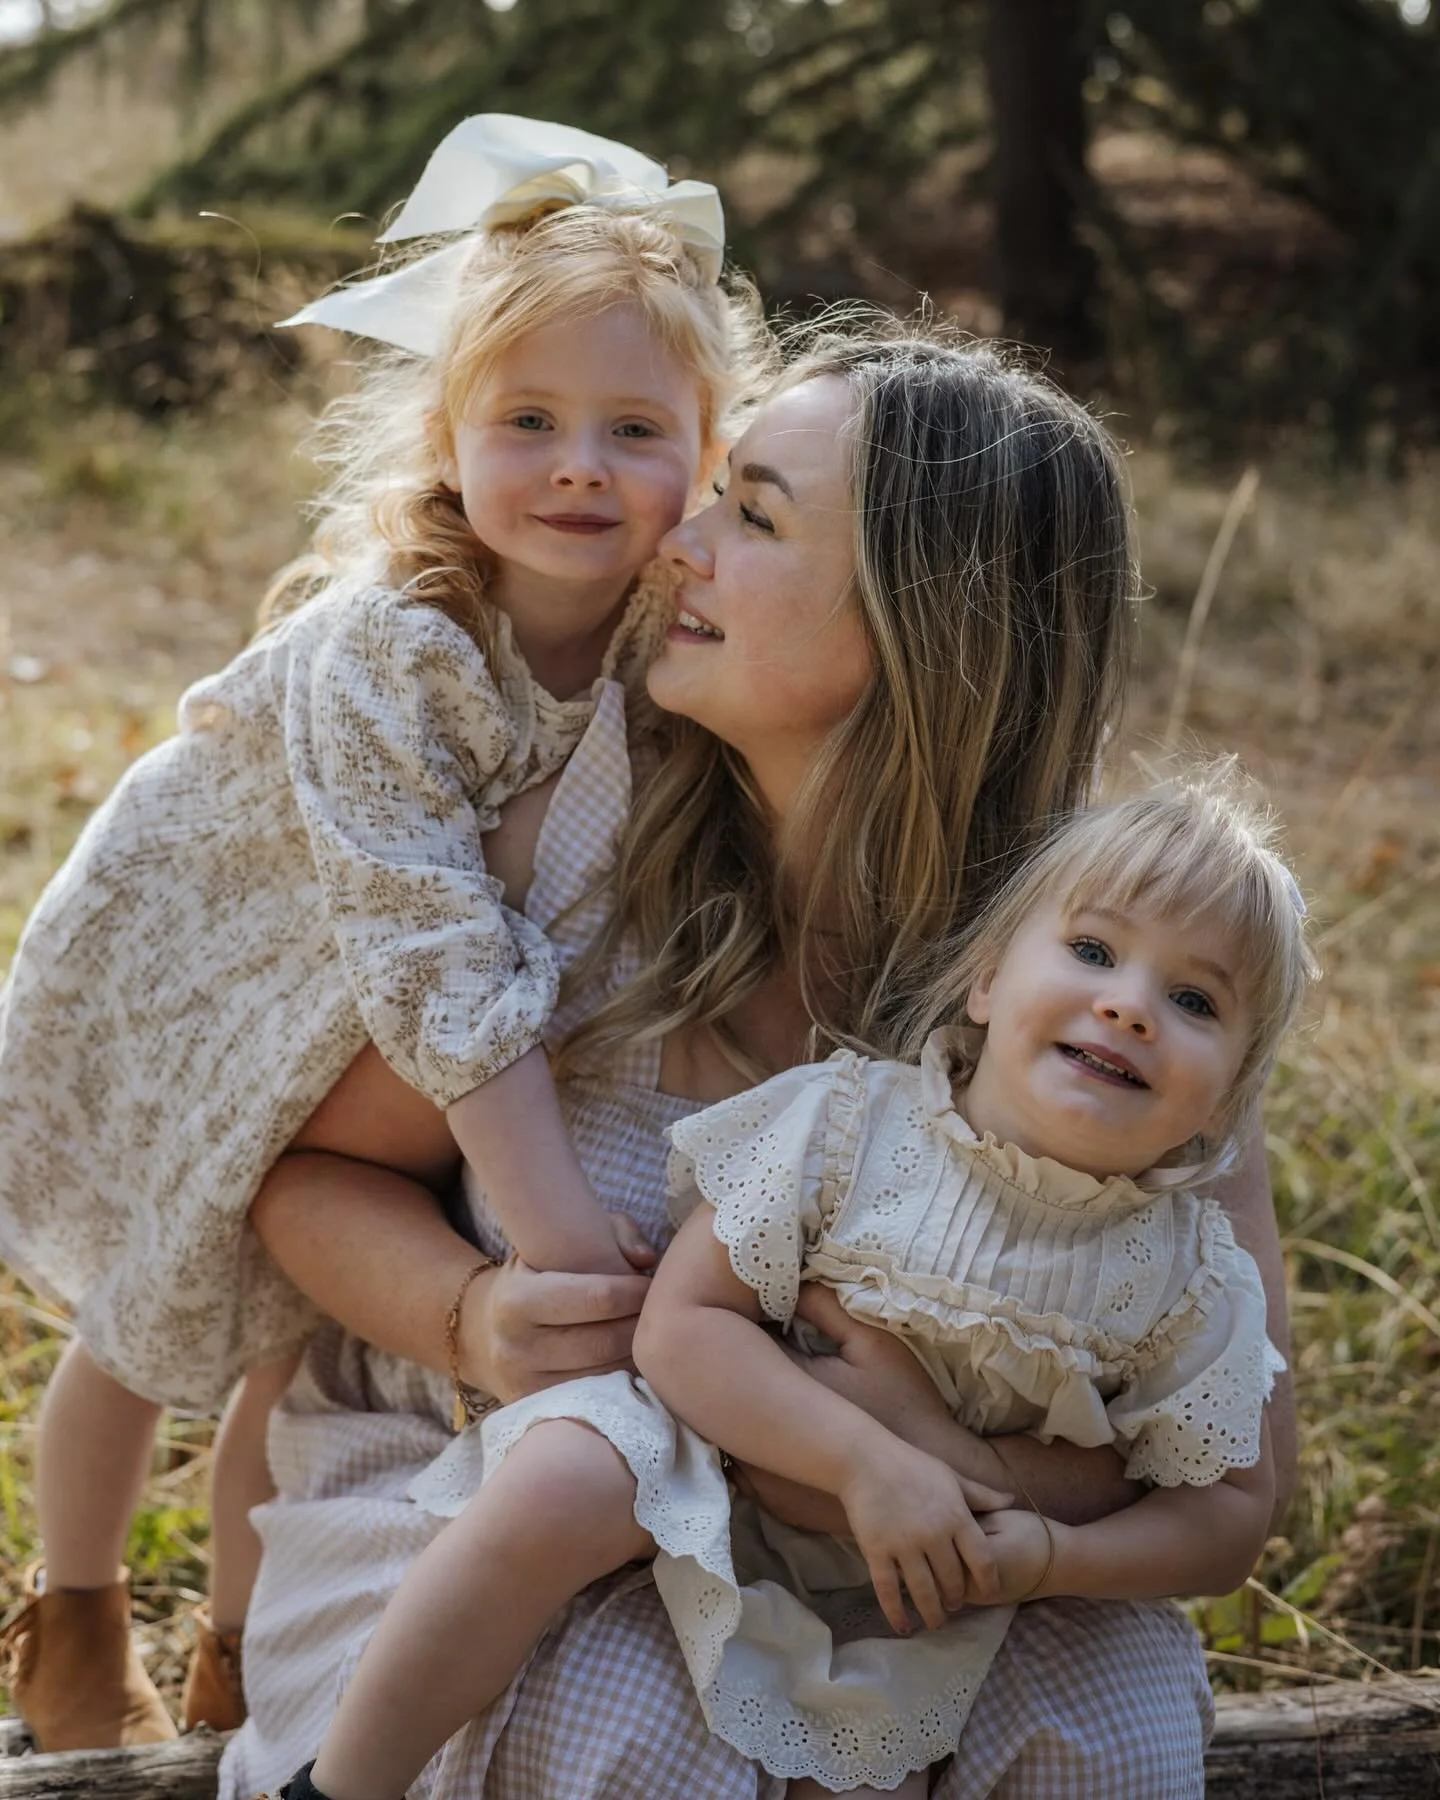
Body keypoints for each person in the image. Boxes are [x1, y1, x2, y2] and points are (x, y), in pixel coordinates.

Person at [223, 325, 1293, 1800]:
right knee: (640, 1740)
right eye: (715, 492)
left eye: (756, 515)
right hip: (535, 1505)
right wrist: (471, 1315)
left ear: (921, 628)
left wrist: (918, 1448)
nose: (681, 539)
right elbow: (310, 1177)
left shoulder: (1107, 996)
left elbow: (1224, 1477)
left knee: (1103, 1725)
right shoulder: (576, 865)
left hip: (944, 1555)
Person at [0, 114, 766, 1751]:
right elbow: (424, 943)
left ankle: (235, 1641)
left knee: (302, 1337)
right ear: (450, 432)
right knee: (151, 1314)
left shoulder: (658, 647)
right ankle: (68, 1607)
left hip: (394, 1018)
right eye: (532, 419)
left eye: (635, 428)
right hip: (215, 967)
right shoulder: (395, 648)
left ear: (710, 453)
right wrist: (558, 1236)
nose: (578, 465)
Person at [271, 773, 1311, 1800]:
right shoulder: (851, 1122)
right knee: (561, 1478)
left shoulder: (1183, 1274)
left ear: (1232, 1091)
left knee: (874, 1767)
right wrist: (863, 1460)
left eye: (1192, 1000)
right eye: (1092, 951)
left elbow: (1227, 1515)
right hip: (716, 1448)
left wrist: (1048, 1559)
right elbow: (680, 1332)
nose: (1128, 1007)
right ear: (986, 982)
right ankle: (343, 1784)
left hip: (925, 1573)